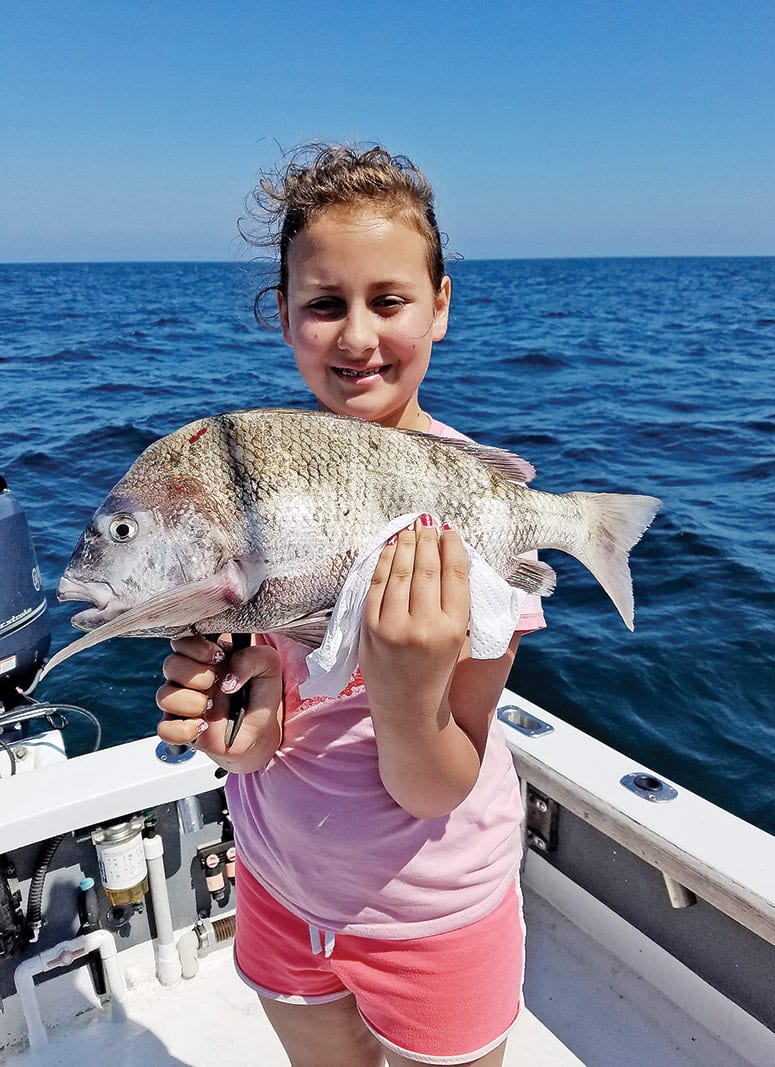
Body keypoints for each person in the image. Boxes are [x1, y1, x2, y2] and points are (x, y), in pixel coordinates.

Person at [156, 144, 545, 1067]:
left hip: (433, 914)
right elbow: (275, 724)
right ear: (284, 318)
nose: (358, 335)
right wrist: (236, 729)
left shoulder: (478, 518)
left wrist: (408, 688)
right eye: (325, 305)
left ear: (441, 305)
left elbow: (439, 778)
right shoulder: (252, 491)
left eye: (390, 300)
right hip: (279, 888)